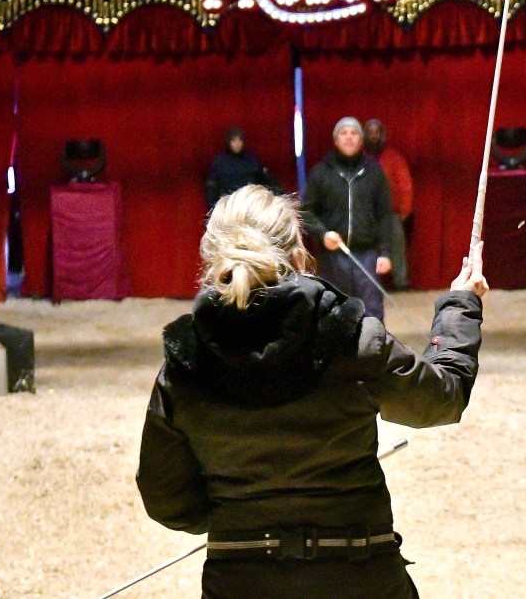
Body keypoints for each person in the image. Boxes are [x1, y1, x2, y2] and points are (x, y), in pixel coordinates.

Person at [136, 185, 487, 599]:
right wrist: (459, 305)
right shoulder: (352, 339)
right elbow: (442, 398)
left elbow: (165, 497)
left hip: (240, 583)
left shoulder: (185, 365)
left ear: (214, 264)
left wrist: (234, 520)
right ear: (300, 255)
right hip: (361, 579)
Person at [301, 117, 395, 320]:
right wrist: (322, 234)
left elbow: (385, 215)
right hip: (333, 258)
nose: (349, 137)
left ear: (361, 140)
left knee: (372, 314)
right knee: (334, 312)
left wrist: (385, 253)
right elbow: (305, 212)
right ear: (335, 140)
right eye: (344, 133)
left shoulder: (374, 172)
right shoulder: (320, 172)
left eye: (354, 133)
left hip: (368, 256)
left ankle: (371, 351)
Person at [364, 119, 413, 291]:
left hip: (391, 212)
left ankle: (401, 283)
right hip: (366, 214)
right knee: (368, 250)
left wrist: (405, 209)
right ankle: (370, 285)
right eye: (370, 131)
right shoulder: (360, 158)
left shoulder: (393, 156)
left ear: (382, 134)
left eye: (376, 131)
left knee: (397, 249)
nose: (373, 135)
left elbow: (404, 183)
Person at [205, 127, 280, 210]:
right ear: (228, 142)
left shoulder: (251, 161)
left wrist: (280, 197)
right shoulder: (219, 163)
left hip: (251, 206)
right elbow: (212, 189)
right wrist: (214, 210)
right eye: (234, 140)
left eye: (240, 140)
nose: (237, 144)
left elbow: (268, 182)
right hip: (229, 208)